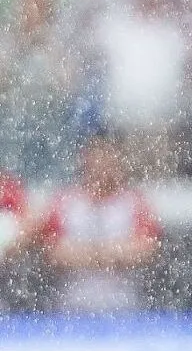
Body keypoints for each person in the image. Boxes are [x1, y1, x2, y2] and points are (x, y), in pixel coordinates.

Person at [20, 131, 162, 313]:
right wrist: (111, 255)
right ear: (85, 159)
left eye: (108, 156)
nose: (102, 164)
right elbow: (50, 250)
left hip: (126, 309)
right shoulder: (65, 201)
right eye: (97, 156)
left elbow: (147, 248)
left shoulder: (134, 202)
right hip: (71, 309)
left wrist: (87, 254)